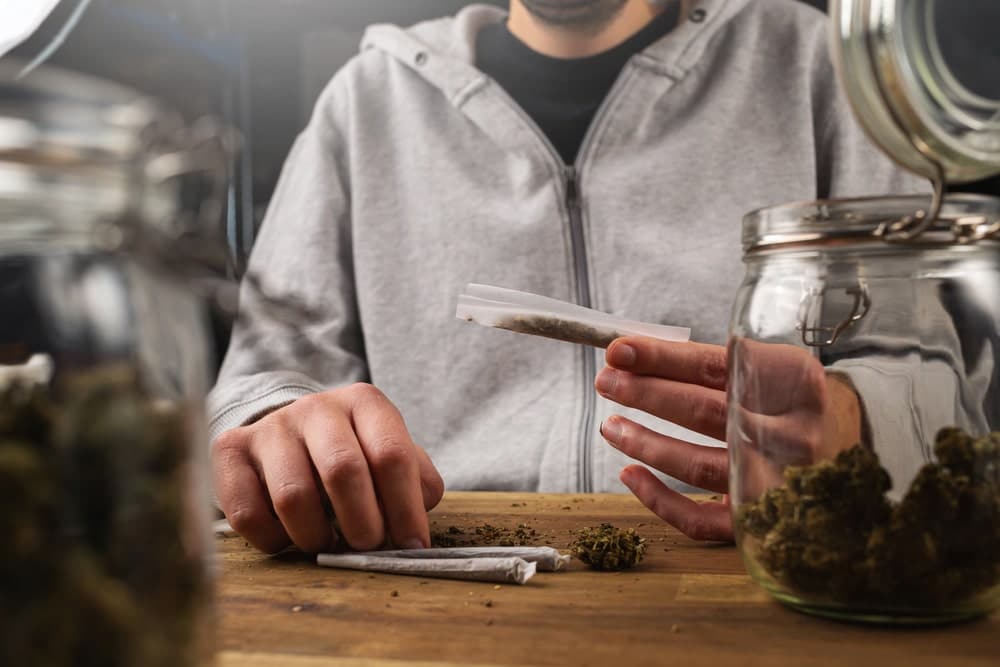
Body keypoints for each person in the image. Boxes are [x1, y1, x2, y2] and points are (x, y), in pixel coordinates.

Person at [207, 0, 926, 554]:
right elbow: (261, 385)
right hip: (433, 571)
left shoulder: (819, 70)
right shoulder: (364, 105)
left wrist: (861, 424)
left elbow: (948, 380)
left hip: (764, 569)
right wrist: (279, 428)